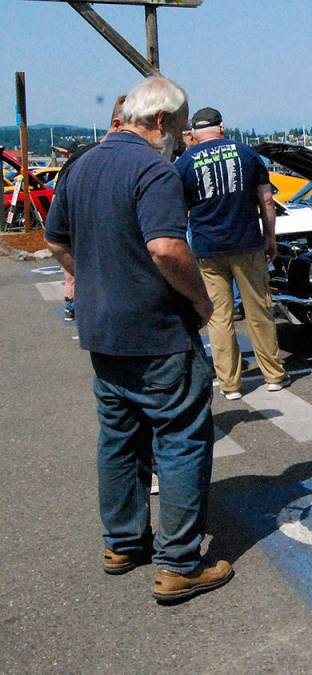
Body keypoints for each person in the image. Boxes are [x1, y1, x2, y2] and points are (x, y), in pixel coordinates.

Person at [44, 76, 233, 604]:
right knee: (181, 438)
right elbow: (167, 248)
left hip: (101, 329)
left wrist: (87, 277)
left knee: (120, 438)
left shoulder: (82, 165)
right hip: (156, 330)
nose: (180, 138)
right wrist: (201, 301)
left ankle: (123, 543)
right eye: (180, 127)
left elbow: (55, 239)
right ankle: (179, 564)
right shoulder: (154, 169)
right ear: (161, 121)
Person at [174, 107, 288, 400]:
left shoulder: (185, 163)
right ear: (222, 127)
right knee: (259, 310)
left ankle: (230, 384)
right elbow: (267, 201)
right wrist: (270, 237)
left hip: (207, 248)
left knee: (218, 317)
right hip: (247, 243)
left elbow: (179, 213)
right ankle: (273, 375)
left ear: (194, 133)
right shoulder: (247, 154)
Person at [58, 95, 127, 322]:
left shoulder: (80, 160)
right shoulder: (87, 159)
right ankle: (74, 302)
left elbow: (56, 231)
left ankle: (74, 303)